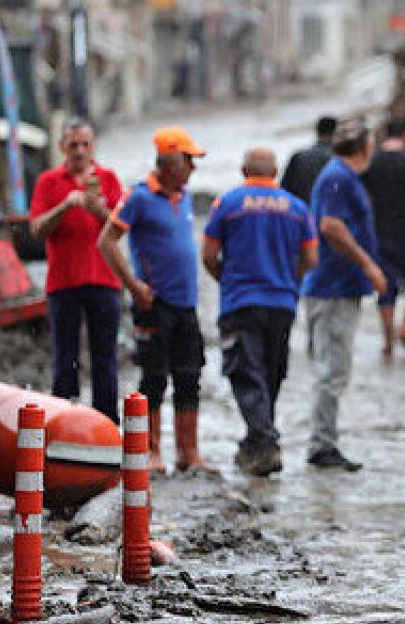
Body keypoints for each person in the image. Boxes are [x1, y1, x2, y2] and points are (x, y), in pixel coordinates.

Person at [97, 125, 220, 478]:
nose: (193, 170)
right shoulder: (139, 197)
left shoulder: (182, 197)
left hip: (186, 304)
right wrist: (133, 285)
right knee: (153, 378)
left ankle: (189, 453)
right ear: (170, 164)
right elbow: (107, 241)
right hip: (153, 303)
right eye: (189, 161)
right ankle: (151, 451)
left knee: (189, 375)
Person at [202, 148, 319, 476]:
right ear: (276, 172)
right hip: (282, 302)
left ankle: (264, 438)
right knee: (271, 372)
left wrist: (226, 280)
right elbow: (311, 258)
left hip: (241, 301)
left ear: (243, 170)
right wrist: (286, 278)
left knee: (245, 371)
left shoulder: (227, 204)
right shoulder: (297, 208)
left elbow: (209, 255)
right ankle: (258, 442)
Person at [302, 119, 388, 470]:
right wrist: (369, 265)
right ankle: (322, 445)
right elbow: (331, 226)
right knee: (333, 370)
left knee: (334, 367)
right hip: (332, 287)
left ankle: (325, 440)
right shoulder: (338, 177)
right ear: (365, 147)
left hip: (338, 287)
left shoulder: (340, 175)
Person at [29, 119, 125, 423]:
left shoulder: (107, 179)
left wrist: (98, 210)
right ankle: (64, 425)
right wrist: (65, 207)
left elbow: (122, 228)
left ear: (93, 147)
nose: (80, 151)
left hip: (104, 281)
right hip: (64, 283)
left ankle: (106, 426)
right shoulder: (48, 181)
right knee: (65, 360)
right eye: (74, 145)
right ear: (62, 148)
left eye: (85, 145)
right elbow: (36, 230)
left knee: (105, 360)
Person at [361, 117, 405, 356]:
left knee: (384, 286)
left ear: (385, 132)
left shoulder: (371, 163)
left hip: (378, 234)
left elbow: (363, 199)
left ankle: (387, 340)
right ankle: (404, 327)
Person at [281, 116, 337, 204]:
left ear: (317, 132)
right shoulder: (341, 159)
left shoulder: (298, 157)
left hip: (303, 213)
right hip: (331, 214)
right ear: (336, 133)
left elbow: (284, 191)